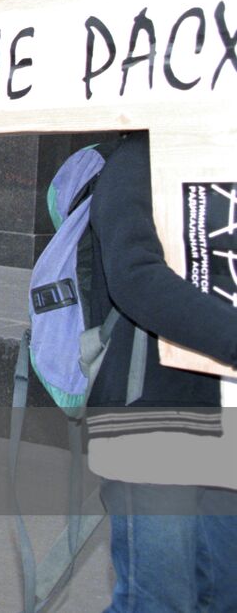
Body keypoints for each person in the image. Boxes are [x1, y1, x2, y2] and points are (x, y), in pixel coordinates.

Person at [82, 132, 237, 611]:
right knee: (160, 597)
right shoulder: (139, 157)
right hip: (153, 413)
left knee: (223, 590)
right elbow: (136, 277)